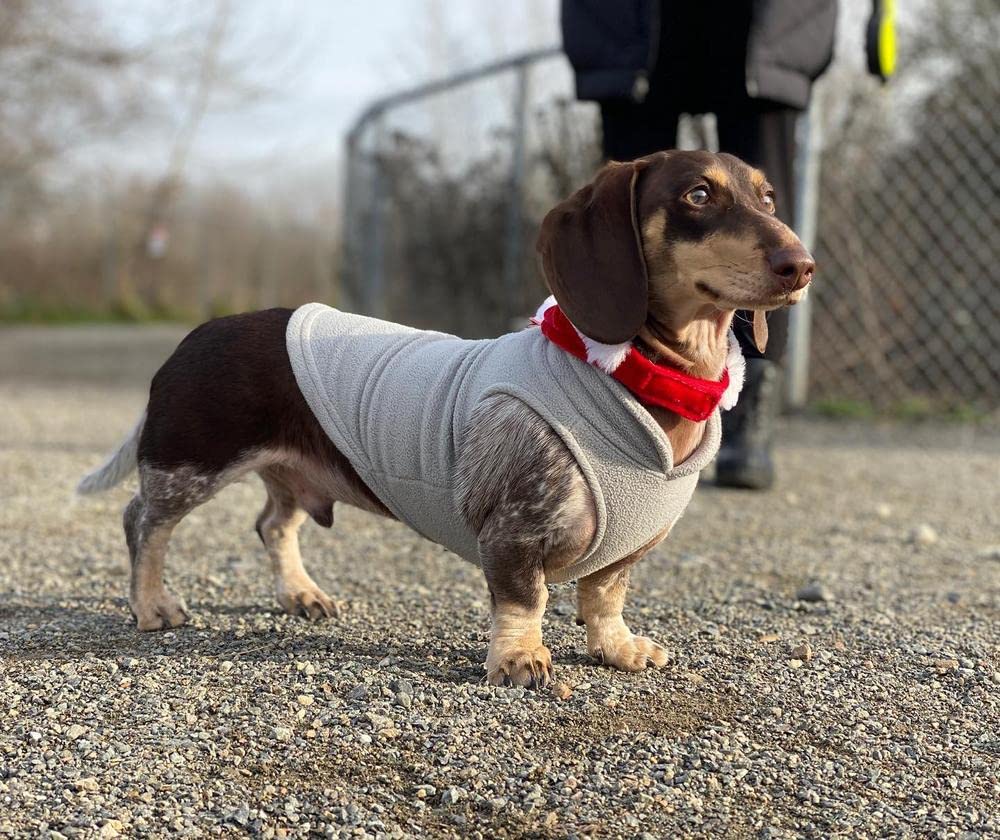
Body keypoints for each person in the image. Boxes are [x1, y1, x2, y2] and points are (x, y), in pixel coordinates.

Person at [560, 0, 840, 489]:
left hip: (769, 20)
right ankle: (608, 400)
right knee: (621, 204)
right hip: (628, 19)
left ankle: (748, 409)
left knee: (759, 203)